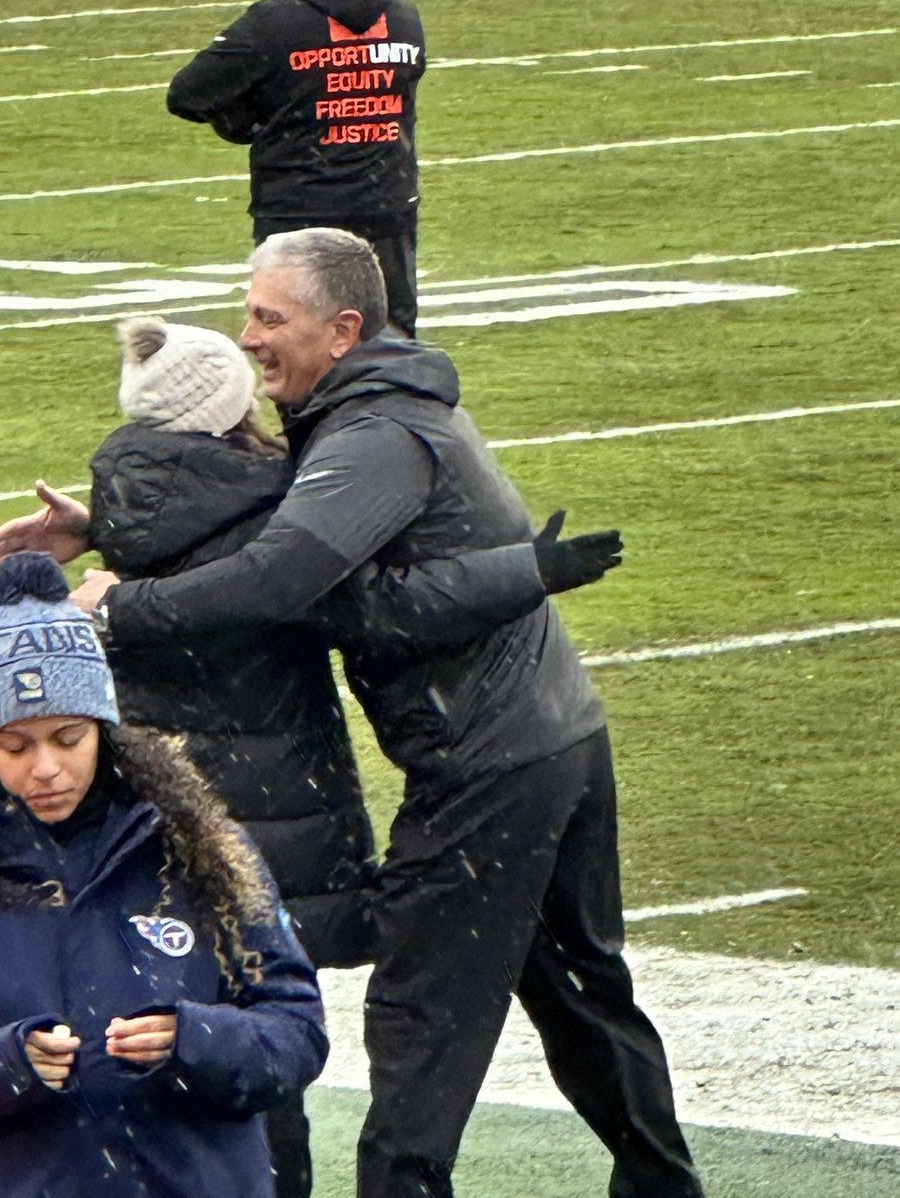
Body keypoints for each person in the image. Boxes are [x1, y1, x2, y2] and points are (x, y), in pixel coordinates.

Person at [67, 226, 698, 1198]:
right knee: (577, 993)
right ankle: (663, 1185)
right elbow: (368, 586)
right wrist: (98, 521)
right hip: (555, 738)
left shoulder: (370, 436)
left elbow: (282, 578)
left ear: (343, 327)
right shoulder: (382, 411)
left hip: (487, 764)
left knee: (421, 1018)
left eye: (269, 317)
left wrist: (122, 604)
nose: (251, 336)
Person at [0, 551, 328, 1198]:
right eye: (14, 746)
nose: (44, 768)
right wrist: (10, 1064)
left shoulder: (203, 850)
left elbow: (297, 1033)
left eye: (68, 738)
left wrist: (196, 1041)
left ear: (106, 729)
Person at [167, 0, 426, 337]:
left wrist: (249, 120)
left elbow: (188, 94)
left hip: (298, 210)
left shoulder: (274, 21)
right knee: (391, 343)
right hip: (385, 207)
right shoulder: (403, 15)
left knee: (296, 346)